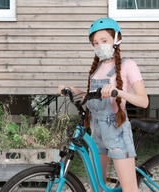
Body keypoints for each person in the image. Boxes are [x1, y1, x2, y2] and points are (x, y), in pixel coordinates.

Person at [58, 18, 148, 191]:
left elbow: (144, 101)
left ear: (116, 39)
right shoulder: (97, 67)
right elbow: (91, 96)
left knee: (129, 189)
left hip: (117, 130)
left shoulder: (128, 65)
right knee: (97, 186)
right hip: (96, 131)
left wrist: (118, 92)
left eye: (104, 41)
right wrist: (71, 89)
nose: (100, 45)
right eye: (96, 43)